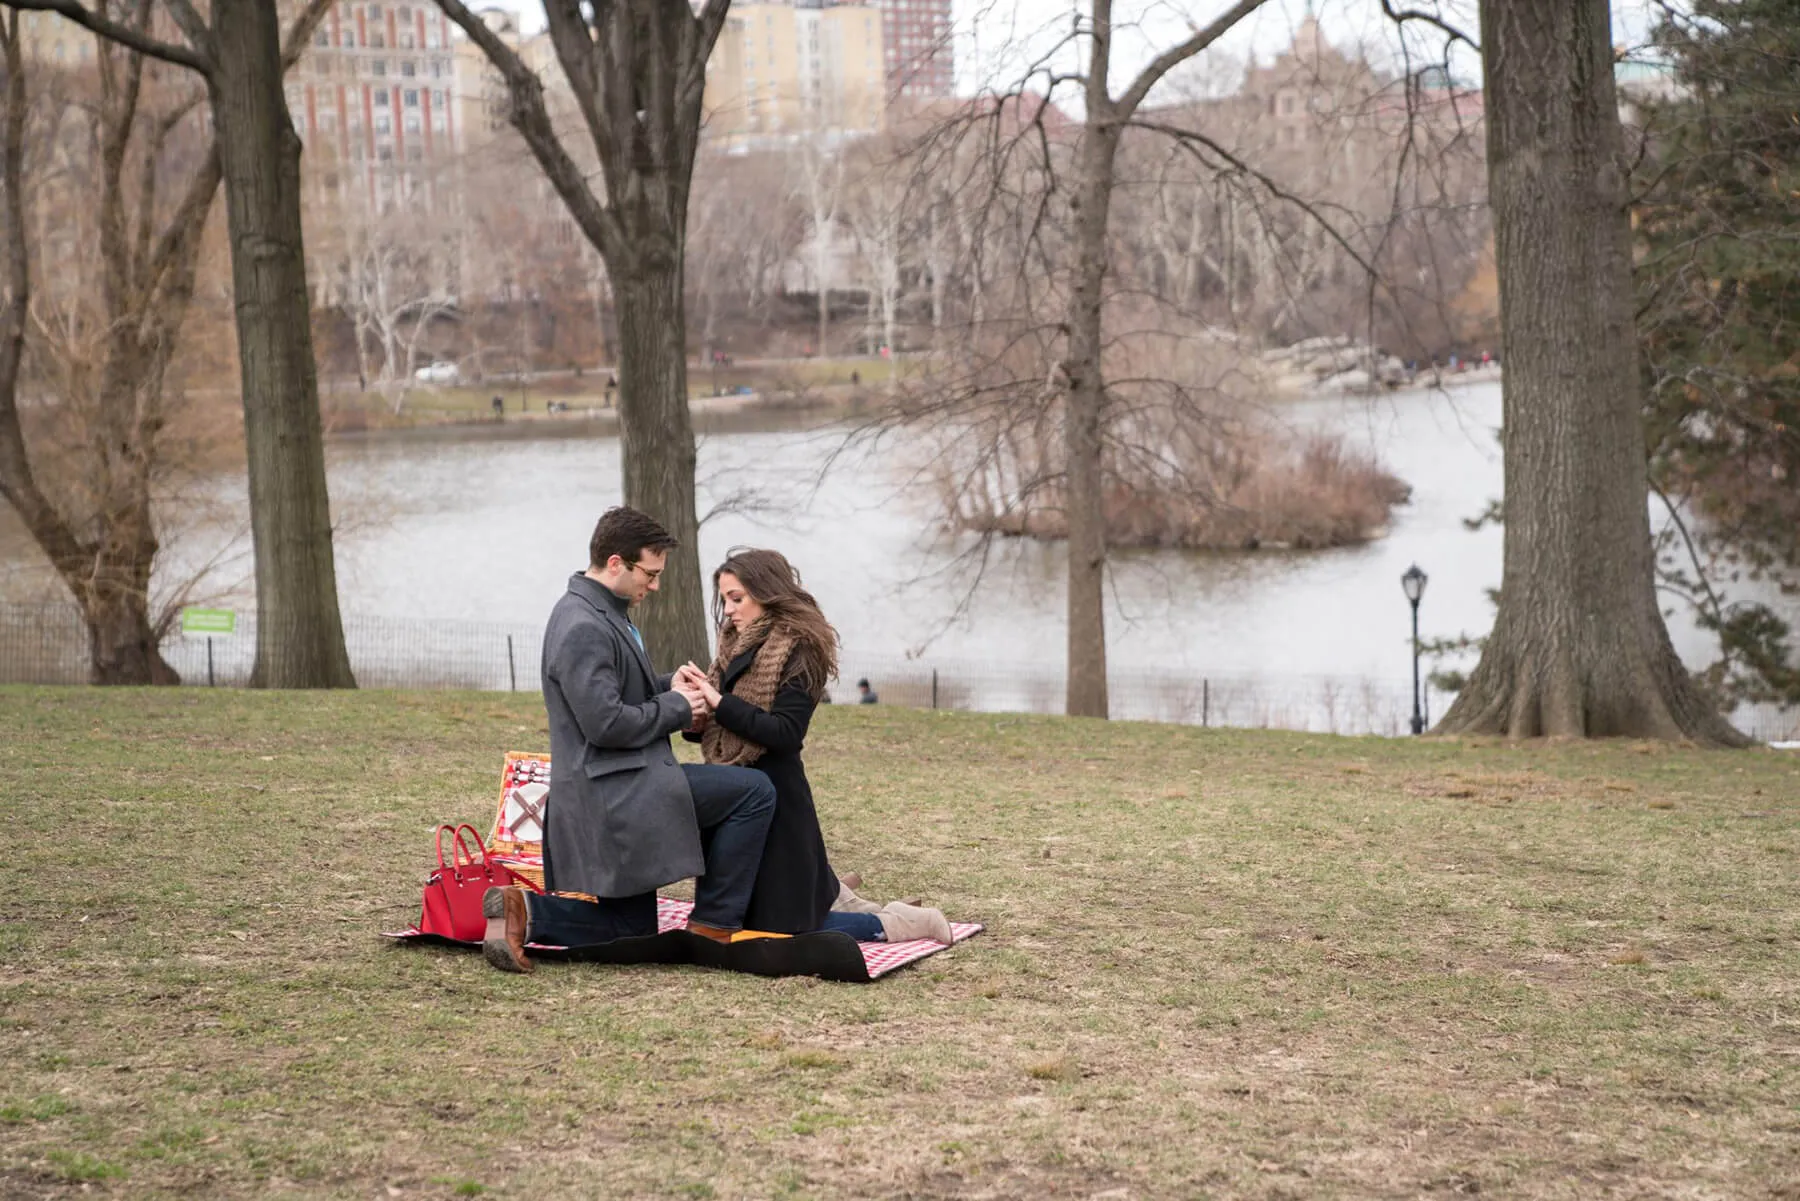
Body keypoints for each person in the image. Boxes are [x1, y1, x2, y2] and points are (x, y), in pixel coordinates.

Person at [481, 507, 779, 973]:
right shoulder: (584, 626)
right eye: (650, 573)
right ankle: (713, 926)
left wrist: (666, 685)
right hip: (614, 796)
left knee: (631, 929)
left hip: (610, 788)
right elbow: (606, 723)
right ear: (616, 563)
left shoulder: (595, 610)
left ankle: (523, 911)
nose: (655, 585)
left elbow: (610, 693)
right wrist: (681, 707)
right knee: (754, 793)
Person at [676, 548, 951, 945]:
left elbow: (786, 733)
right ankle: (836, 892)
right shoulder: (733, 644)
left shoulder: (800, 647)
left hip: (778, 801)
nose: (728, 610)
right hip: (733, 797)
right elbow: (726, 726)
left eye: (737, 599)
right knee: (746, 918)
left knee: (779, 929)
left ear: (765, 593)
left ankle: (903, 923)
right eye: (724, 600)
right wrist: (697, 717)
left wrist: (721, 703)